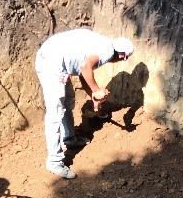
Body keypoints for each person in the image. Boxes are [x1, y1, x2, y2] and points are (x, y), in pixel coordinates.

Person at [35, 28, 134, 179]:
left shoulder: (104, 44)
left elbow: (83, 73)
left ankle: (69, 139)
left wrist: (94, 95)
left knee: (68, 100)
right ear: (122, 56)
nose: (121, 61)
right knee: (55, 113)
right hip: (51, 64)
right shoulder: (106, 52)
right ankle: (54, 161)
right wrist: (96, 90)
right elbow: (85, 66)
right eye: (124, 58)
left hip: (54, 58)